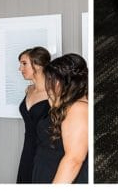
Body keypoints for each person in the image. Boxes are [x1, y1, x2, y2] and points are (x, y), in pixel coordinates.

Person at [32, 55, 88, 184]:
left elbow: (74, 159)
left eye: (52, 79)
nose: (49, 83)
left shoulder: (78, 108)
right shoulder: (67, 105)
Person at [15, 47, 51, 184]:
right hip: (28, 148)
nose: (20, 68)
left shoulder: (53, 92)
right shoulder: (29, 90)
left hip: (47, 151)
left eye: (24, 63)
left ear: (37, 65)